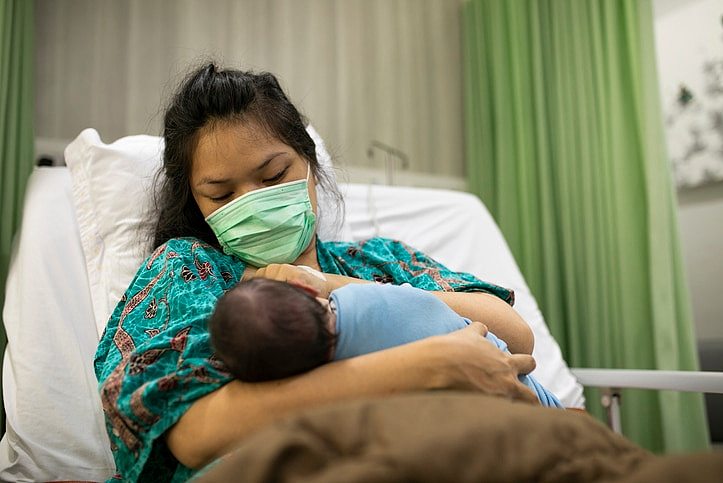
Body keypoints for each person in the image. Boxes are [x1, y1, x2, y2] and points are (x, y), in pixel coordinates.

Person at [93, 64, 540, 482]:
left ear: (309, 164)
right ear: (195, 204)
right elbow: (193, 436)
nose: (252, 203)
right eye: (222, 194)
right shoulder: (189, 272)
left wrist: (328, 284)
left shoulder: (378, 261)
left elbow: (515, 335)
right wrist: (428, 366)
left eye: (272, 177)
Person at [209, 278, 563, 407]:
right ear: (305, 289)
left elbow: (518, 336)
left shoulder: (330, 388)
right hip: (536, 408)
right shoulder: (369, 299)